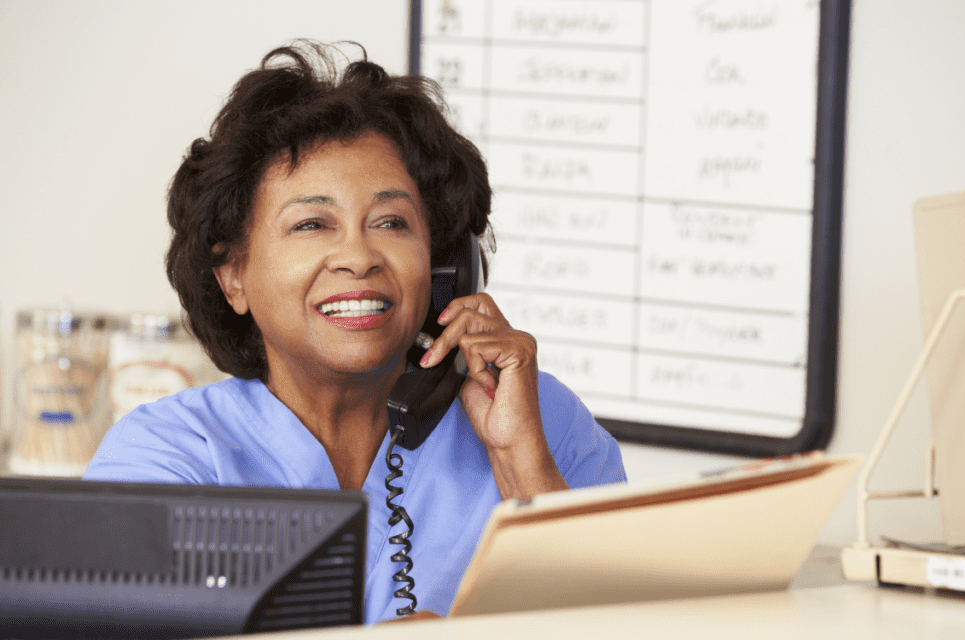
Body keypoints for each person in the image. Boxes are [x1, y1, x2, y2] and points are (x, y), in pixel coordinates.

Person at [83, 40, 626, 625]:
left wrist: (522, 463)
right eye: (311, 224)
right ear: (234, 276)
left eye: (391, 222)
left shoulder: (544, 421)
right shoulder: (164, 458)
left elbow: (637, 624)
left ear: (444, 265)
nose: (359, 257)